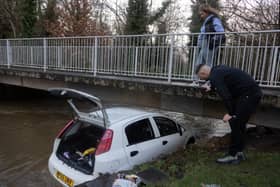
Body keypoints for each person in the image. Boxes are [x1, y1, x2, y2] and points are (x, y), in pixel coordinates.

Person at [196, 64, 262, 164]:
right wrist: (212, 87)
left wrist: (231, 114)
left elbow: (226, 96)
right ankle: (239, 153)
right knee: (239, 125)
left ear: (203, 73)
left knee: (235, 123)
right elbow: (224, 82)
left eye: (202, 78)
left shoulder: (214, 76)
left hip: (248, 96)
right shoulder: (218, 69)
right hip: (249, 94)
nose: (204, 80)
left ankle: (232, 155)